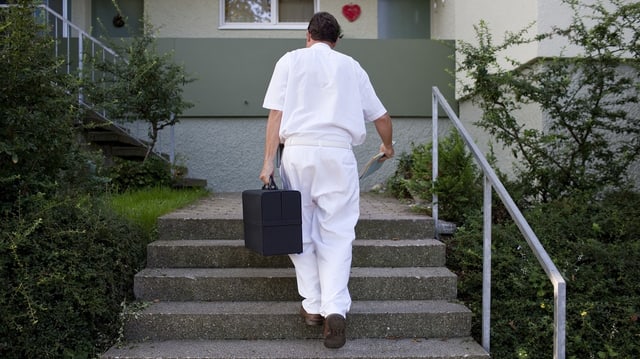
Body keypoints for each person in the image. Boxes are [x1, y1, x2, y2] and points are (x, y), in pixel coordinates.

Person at [259, 11, 394, 349]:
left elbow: (276, 114)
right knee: (337, 232)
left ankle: (312, 305)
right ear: (336, 40)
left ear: (308, 35)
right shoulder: (351, 66)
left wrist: (267, 163)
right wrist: (387, 146)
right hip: (338, 155)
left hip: (298, 152)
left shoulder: (290, 61)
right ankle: (335, 308)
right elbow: (382, 116)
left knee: (299, 230)